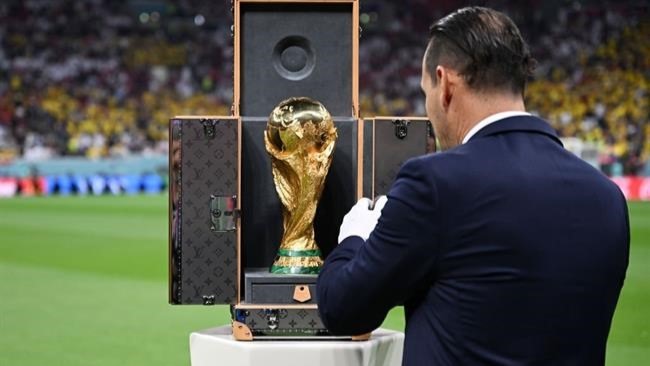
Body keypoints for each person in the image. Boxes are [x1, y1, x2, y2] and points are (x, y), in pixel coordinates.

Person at [317, 6, 629, 365]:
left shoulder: (434, 183)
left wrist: (354, 238)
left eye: (425, 93)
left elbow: (345, 309)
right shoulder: (606, 198)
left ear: (446, 84)